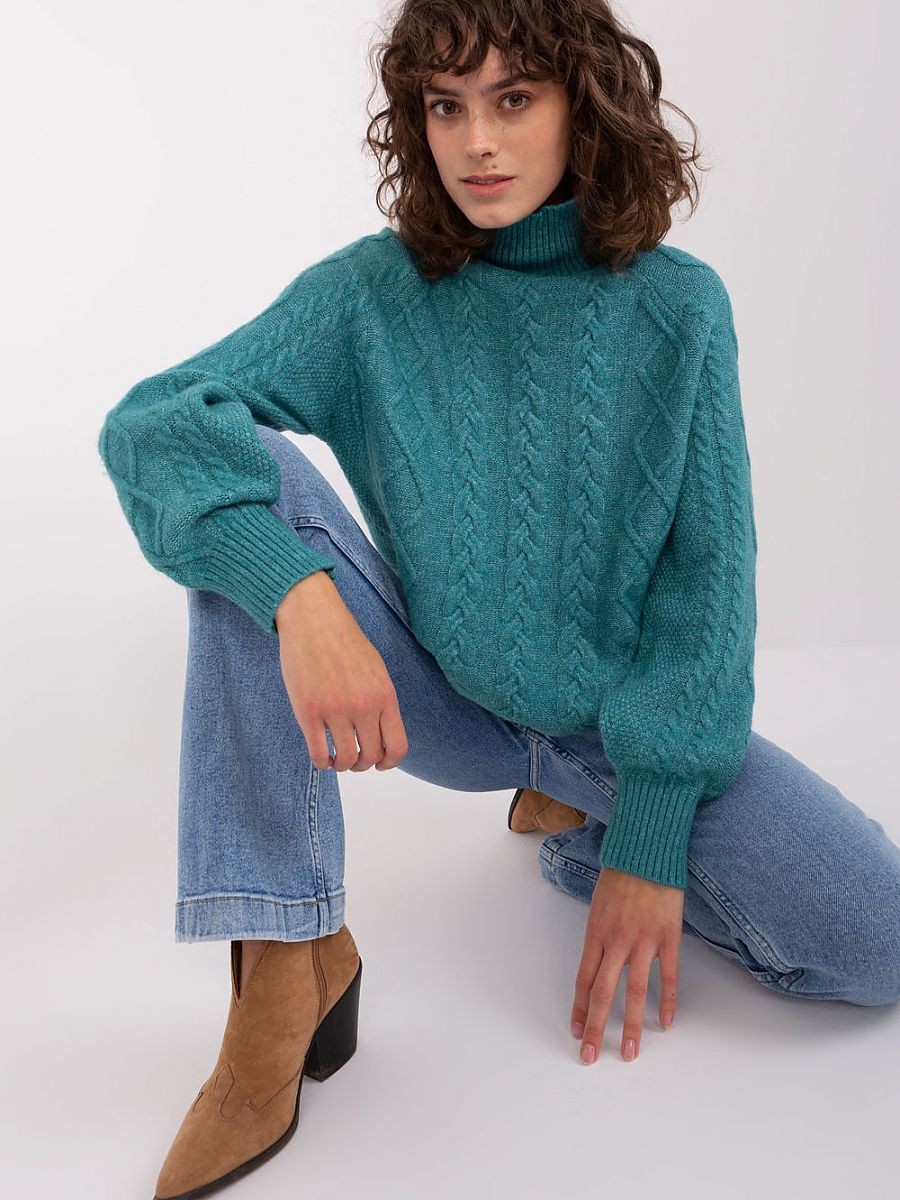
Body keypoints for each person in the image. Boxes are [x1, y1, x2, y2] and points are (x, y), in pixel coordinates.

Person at [96, 2, 900, 1197]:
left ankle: (573, 829)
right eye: (446, 105)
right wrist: (300, 596)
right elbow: (154, 419)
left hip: (610, 725)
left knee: (875, 940)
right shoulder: (372, 292)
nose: (476, 141)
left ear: (585, 104)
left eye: (514, 99)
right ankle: (282, 960)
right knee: (236, 492)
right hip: (437, 701)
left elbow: (708, 586)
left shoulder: (678, 307)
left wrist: (647, 838)